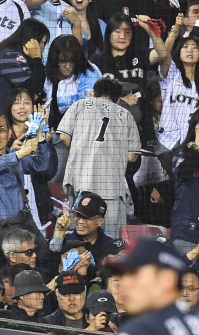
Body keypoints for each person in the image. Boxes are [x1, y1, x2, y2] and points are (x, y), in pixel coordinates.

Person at [56, 77, 141, 237]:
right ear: (117, 99)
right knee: (110, 244)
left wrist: (81, 150)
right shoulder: (126, 115)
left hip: (81, 183)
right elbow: (132, 156)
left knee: (79, 238)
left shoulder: (80, 105)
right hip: (111, 188)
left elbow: (63, 137)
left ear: (93, 92)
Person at [0, 111, 55, 269]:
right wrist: (21, 153)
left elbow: (41, 165)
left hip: (22, 226)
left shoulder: (15, 155)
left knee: (43, 264)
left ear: (9, 133)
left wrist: (41, 137)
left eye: (1, 130)